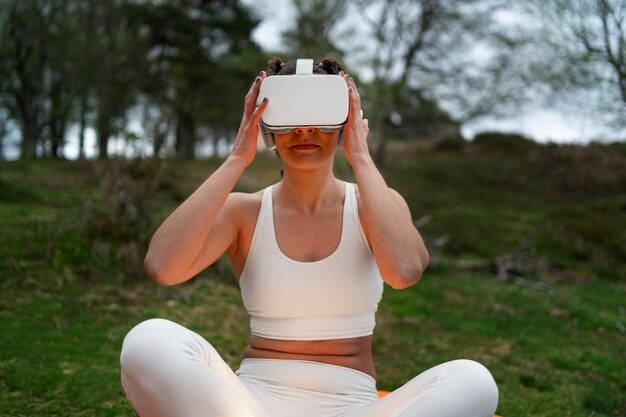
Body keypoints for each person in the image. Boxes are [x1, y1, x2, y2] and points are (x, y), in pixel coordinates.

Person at [120, 57, 499, 417]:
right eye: (288, 119)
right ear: (266, 124)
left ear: (344, 120)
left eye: (319, 116)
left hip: (353, 406)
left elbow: (405, 272)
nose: (304, 131)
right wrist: (237, 156)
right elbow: (163, 268)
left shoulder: (374, 204)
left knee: (473, 380)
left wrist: (361, 157)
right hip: (250, 403)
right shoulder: (243, 211)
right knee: (148, 340)